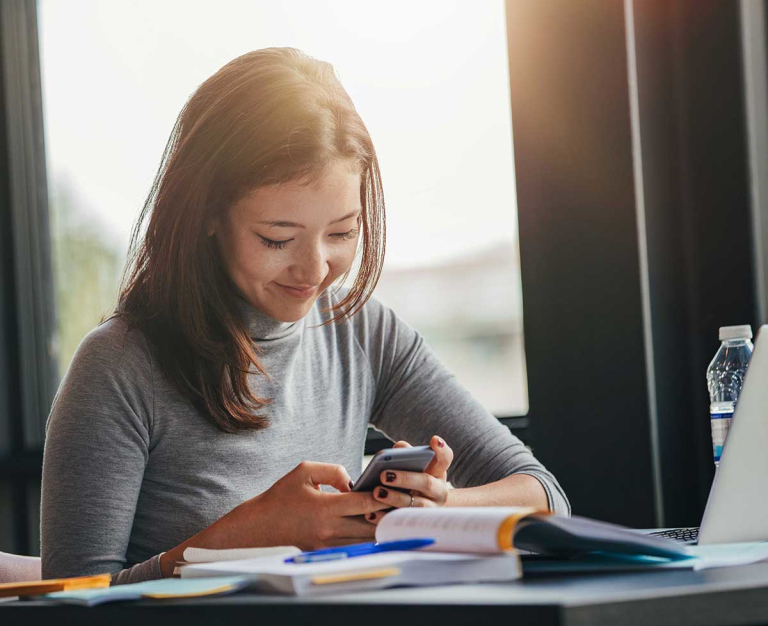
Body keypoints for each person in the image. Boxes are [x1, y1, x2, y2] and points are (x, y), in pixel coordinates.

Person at [40, 47, 570, 585]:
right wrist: (236, 540)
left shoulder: (362, 333)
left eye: (342, 232)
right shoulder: (119, 367)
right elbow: (69, 603)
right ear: (206, 214)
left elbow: (544, 496)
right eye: (277, 238)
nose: (315, 269)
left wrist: (442, 506)